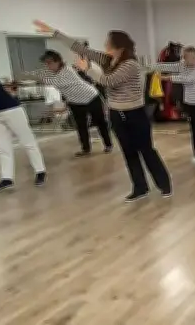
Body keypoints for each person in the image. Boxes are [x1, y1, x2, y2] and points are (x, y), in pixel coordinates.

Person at [34, 20, 172, 202]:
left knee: (146, 150)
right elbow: (81, 49)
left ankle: (164, 184)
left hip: (135, 114)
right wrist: (54, 33)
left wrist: (88, 69)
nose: (105, 44)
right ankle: (140, 188)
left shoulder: (130, 64)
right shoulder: (107, 60)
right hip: (117, 114)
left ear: (119, 46)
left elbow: (109, 81)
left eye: (108, 41)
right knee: (128, 152)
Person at [19, 50, 113, 157]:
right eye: (46, 63)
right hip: (74, 101)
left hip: (91, 97)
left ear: (58, 61)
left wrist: (38, 78)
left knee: (100, 122)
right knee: (81, 125)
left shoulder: (68, 71)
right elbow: (30, 75)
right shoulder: (47, 72)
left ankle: (108, 145)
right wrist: (25, 77)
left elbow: (55, 82)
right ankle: (86, 149)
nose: (48, 66)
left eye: (50, 63)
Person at [0, 76, 47, 191]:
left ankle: (40, 171)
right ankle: (6, 179)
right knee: (2, 147)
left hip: (11, 110)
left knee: (27, 141)